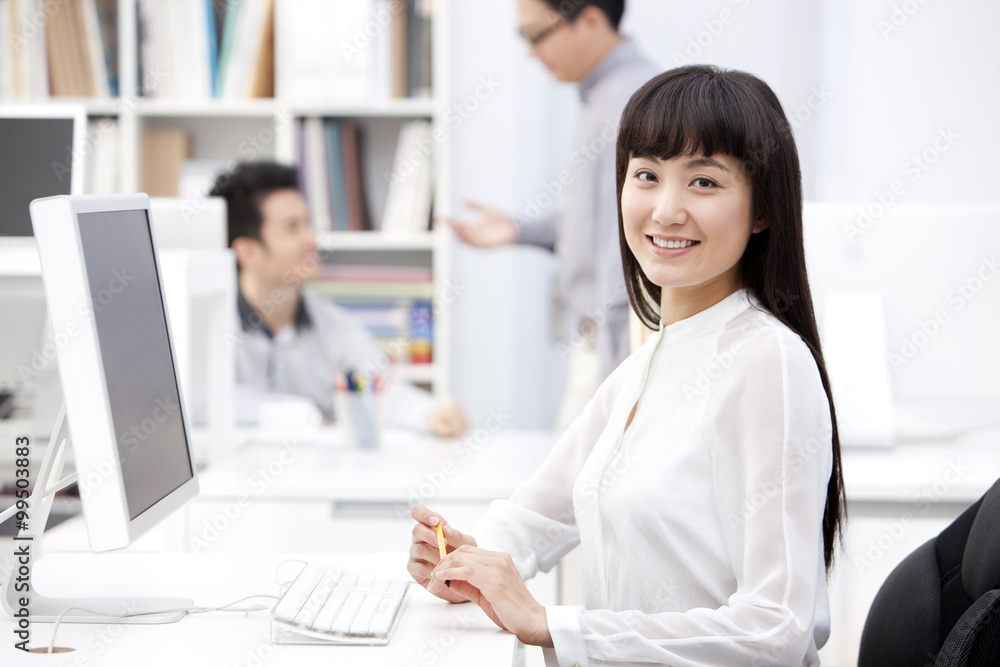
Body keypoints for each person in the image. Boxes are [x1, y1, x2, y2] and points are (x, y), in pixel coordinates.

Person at [407, 66, 847, 666]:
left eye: (704, 183)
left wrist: (550, 623)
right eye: (646, 175)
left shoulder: (768, 362)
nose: (666, 210)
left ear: (762, 208)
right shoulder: (652, 360)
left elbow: (778, 626)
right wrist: (466, 556)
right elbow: (538, 512)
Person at [442, 0, 659, 431]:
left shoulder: (626, 103)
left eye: (535, 34)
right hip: (604, 345)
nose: (529, 51)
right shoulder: (604, 96)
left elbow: (628, 245)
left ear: (591, 20)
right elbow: (601, 220)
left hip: (613, 350)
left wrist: (616, 377)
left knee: (566, 492)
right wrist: (520, 230)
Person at [209, 161, 468, 437]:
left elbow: (380, 387)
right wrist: (299, 415)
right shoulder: (209, 325)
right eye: (292, 227)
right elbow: (195, 402)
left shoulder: (332, 323)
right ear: (248, 252)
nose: (311, 238)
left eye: (307, 223)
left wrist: (431, 413)